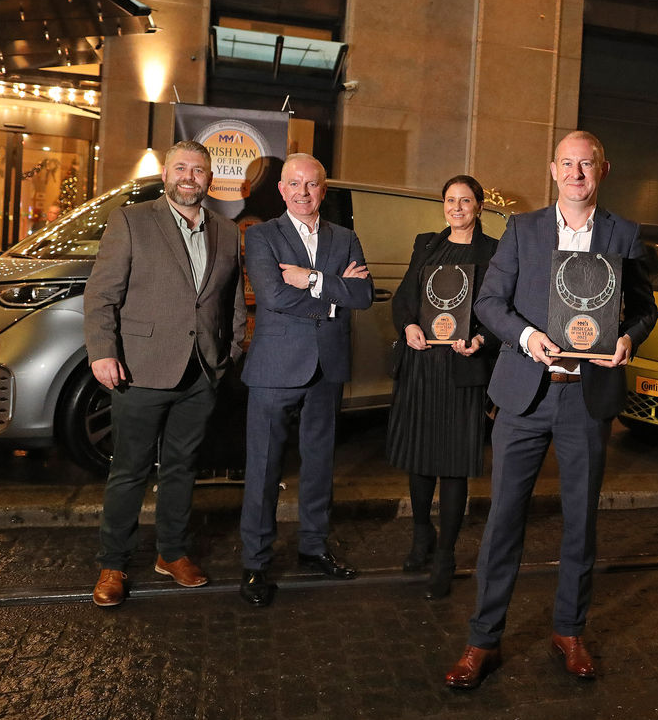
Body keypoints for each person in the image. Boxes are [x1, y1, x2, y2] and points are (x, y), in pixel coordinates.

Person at [444, 130, 657, 689]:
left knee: (581, 523)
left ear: (602, 171)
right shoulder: (524, 229)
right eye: (567, 164)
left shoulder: (625, 234)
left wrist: (630, 337)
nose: (576, 173)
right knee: (503, 521)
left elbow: (645, 308)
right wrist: (526, 338)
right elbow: (488, 302)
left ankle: (569, 630)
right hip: (524, 393)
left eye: (586, 165)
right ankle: (482, 641)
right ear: (553, 169)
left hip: (586, 399)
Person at [84, 140, 246, 607]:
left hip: (201, 373)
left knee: (182, 469)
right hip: (139, 369)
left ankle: (171, 553)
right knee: (129, 470)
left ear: (210, 179)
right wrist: (102, 352)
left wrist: (228, 352)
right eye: (181, 168)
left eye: (198, 170)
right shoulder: (132, 221)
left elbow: (231, 299)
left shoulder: (227, 230)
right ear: (167, 173)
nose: (189, 177)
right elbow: (101, 295)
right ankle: (113, 562)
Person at [238, 153, 373, 607]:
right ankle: (255, 564)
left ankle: (314, 546)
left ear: (323, 190)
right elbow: (273, 295)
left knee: (319, 466)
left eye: (311, 185)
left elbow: (365, 294)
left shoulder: (345, 236)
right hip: (276, 368)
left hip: (327, 368)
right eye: (293, 184)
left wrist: (311, 278)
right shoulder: (261, 236)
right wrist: (334, 292)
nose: (302, 192)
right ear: (281, 190)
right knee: (264, 468)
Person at [386, 175, 500, 600]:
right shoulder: (426, 245)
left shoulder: (493, 251)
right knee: (418, 457)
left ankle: (447, 554)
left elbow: (499, 308)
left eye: (465, 200)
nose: (456, 207)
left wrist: (481, 340)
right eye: (450, 200)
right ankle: (421, 537)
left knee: (453, 465)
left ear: (479, 206)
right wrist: (410, 324)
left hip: (462, 371)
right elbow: (403, 300)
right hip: (421, 366)